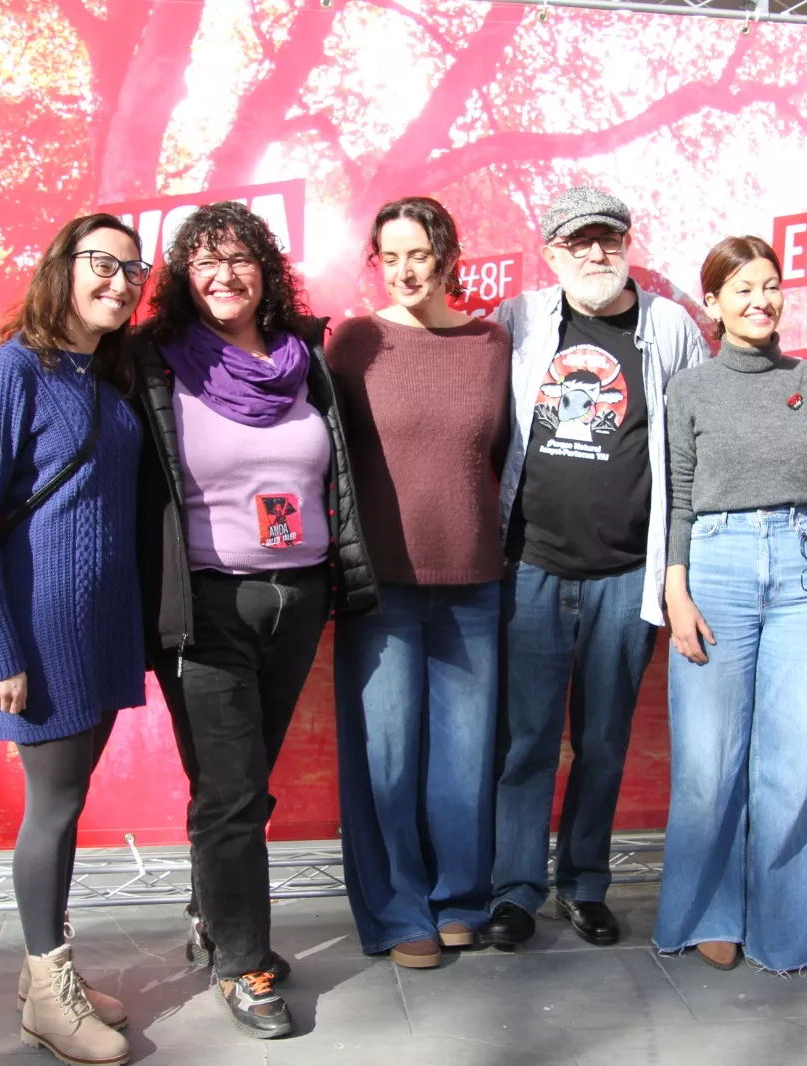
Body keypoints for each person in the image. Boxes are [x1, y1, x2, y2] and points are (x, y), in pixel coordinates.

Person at [132, 201, 377, 1039]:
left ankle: (212, 912)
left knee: (240, 783)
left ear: (265, 269)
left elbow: (337, 470)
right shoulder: (157, 363)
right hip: (206, 605)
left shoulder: (302, 359)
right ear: (182, 277)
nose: (224, 275)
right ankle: (245, 965)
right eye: (204, 261)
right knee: (234, 792)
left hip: (298, 597)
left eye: (239, 258)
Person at [479, 186, 710, 951]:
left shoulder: (669, 327)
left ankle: (584, 884)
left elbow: (692, 452)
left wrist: (679, 573)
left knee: (604, 741)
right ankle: (514, 891)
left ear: (627, 243)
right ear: (550, 254)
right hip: (532, 567)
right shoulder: (520, 320)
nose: (595, 254)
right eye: (577, 242)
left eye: (608, 238)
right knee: (526, 742)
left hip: (625, 575)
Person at [0, 213, 148, 1066]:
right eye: (102, 263)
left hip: (102, 633)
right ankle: (49, 987)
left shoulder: (103, 379)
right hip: (42, 635)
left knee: (68, 810)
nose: (119, 282)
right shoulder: (13, 371)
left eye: (133, 272)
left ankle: (44, 984)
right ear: (61, 267)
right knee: (55, 809)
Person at [654, 236, 807, 973]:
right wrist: (675, 589)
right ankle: (709, 911)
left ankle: (782, 928)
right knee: (709, 763)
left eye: (771, 285)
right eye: (742, 288)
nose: (761, 300)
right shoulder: (691, 389)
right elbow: (676, 495)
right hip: (717, 566)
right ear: (711, 303)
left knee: (794, 760)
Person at [326, 197, 511, 970]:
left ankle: (460, 899)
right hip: (381, 588)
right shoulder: (353, 342)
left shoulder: (492, 343)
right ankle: (400, 910)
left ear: (447, 255)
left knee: (465, 759)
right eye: (389, 255)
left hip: (473, 579)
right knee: (388, 758)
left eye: (419, 254)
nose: (404, 270)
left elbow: (500, 453)